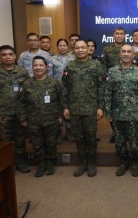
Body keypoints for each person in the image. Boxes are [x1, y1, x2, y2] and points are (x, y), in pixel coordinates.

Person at [0, 45, 31, 173]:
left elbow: (28, 92)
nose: (8, 57)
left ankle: (21, 161)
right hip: (2, 113)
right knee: (4, 140)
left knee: (20, 139)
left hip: (19, 112)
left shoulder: (22, 72)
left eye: (10, 54)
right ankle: (8, 164)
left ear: (15, 56)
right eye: (4, 55)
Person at [62, 39, 105, 177]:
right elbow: (64, 88)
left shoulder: (96, 65)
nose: (80, 50)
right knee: (78, 137)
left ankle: (92, 163)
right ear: (73, 50)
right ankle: (82, 163)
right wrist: (65, 107)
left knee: (91, 137)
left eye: (83, 48)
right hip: (74, 108)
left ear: (88, 49)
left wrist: (100, 107)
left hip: (90, 108)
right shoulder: (69, 66)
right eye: (77, 48)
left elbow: (102, 87)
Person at [105, 44, 138, 177]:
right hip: (117, 113)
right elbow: (108, 93)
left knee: (134, 143)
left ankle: (134, 163)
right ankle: (123, 162)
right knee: (119, 142)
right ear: (119, 54)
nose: (126, 54)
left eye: (129, 51)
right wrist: (108, 111)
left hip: (134, 114)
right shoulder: (112, 72)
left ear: (133, 55)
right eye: (123, 51)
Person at [19, 56, 64, 177]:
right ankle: (41, 164)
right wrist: (23, 119)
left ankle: (50, 163)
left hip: (51, 120)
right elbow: (22, 103)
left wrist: (60, 116)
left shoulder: (54, 83)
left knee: (51, 143)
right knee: (37, 144)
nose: (38, 68)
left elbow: (61, 101)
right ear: (32, 67)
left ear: (46, 67)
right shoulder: (27, 84)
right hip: (33, 120)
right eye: (35, 65)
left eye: (41, 65)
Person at [101, 27, 127, 143]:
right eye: (117, 34)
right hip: (112, 83)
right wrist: (107, 79)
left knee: (125, 108)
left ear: (125, 36)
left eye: (121, 34)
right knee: (113, 108)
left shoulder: (128, 49)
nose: (119, 36)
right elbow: (104, 66)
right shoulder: (107, 49)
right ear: (113, 35)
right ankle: (116, 132)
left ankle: (126, 132)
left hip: (126, 83)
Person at [52, 38, 75, 143]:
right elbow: (49, 74)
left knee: (68, 109)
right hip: (56, 88)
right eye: (60, 45)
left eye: (64, 45)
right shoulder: (52, 59)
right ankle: (59, 133)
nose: (62, 47)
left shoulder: (73, 59)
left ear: (67, 46)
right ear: (57, 47)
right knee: (57, 110)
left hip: (70, 88)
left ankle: (69, 132)